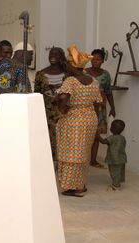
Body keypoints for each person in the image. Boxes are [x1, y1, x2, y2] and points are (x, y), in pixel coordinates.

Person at [56, 44, 102, 197]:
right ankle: (81, 183)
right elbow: (98, 103)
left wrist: (62, 108)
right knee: (83, 153)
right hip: (90, 118)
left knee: (72, 153)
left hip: (74, 119)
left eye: (68, 64)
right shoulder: (93, 81)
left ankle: (75, 188)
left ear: (72, 65)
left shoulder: (71, 81)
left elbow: (63, 98)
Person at [34, 47, 67, 161]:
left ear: (61, 57)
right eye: (51, 54)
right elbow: (36, 94)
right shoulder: (40, 74)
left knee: (62, 138)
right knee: (46, 138)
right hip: (46, 113)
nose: (53, 57)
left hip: (63, 113)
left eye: (56, 55)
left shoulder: (67, 75)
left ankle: (61, 162)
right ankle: (47, 162)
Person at [85, 48, 116, 168]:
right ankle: (83, 159)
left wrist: (113, 107)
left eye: (98, 60)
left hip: (100, 108)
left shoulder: (106, 75)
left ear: (102, 61)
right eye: (93, 59)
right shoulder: (84, 72)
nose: (95, 62)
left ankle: (93, 160)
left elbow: (108, 92)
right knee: (85, 134)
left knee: (96, 134)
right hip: (86, 107)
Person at [98, 119, 126, 191]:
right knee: (119, 171)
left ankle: (116, 186)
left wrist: (97, 135)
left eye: (112, 127)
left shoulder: (112, 137)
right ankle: (117, 182)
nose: (110, 128)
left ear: (114, 129)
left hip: (114, 159)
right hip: (122, 158)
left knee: (114, 172)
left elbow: (103, 141)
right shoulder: (122, 138)